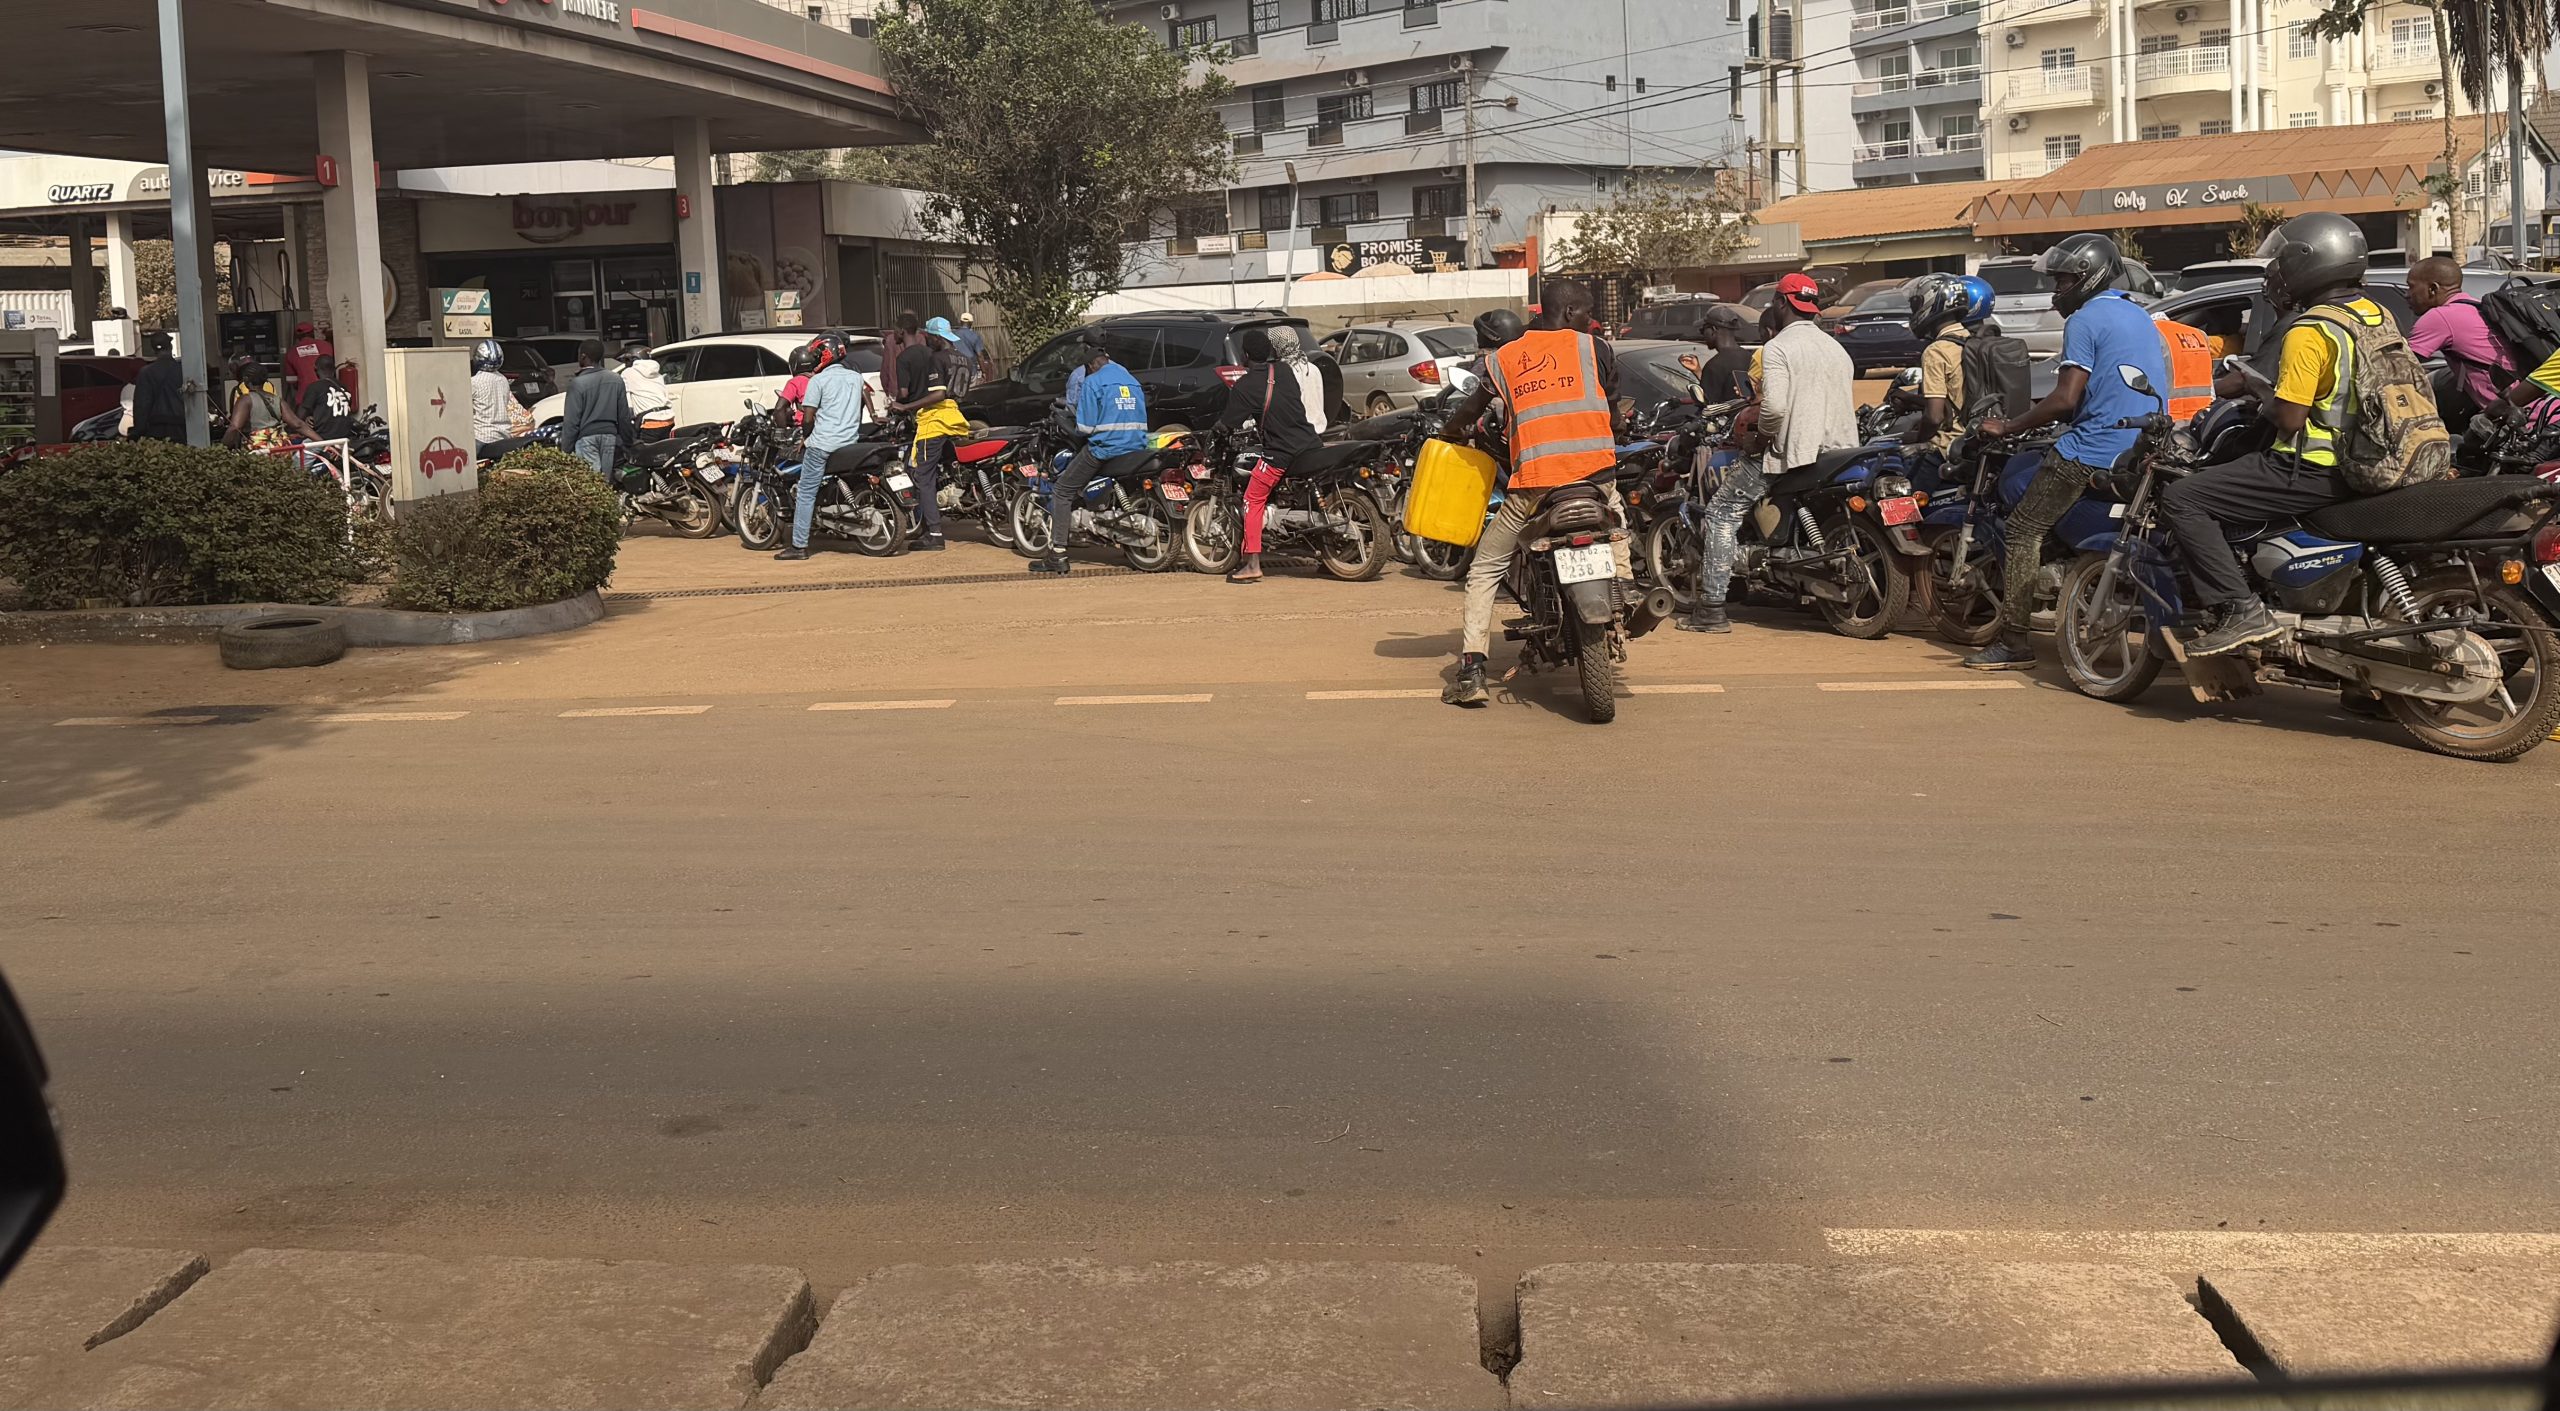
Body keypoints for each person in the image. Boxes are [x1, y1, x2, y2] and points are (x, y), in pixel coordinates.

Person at [2161, 212, 2379, 657]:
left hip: (2313, 466)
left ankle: (2242, 610)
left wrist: (2264, 394)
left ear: (2306, 262)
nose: (2275, 272)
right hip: (2371, 461)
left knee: (2184, 498)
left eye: (2280, 261)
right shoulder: (2372, 316)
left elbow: (2290, 419)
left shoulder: (2312, 329)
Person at [1962, 234, 2168, 670]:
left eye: (2063, 281)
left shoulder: (2085, 320)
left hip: (2092, 448)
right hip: (2142, 445)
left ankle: (2014, 641)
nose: (2057, 291)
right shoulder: (2138, 315)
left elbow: (2065, 398)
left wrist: (2010, 425)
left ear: (2087, 278)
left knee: (2022, 528)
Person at [1436, 281, 1629, 707]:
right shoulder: (1595, 348)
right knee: (1616, 521)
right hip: (1595, 477)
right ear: (1570, 310)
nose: (1591, 320)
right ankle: (1626, 588)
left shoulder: (1503, 359)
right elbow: (1613, 414)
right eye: (1587, 313)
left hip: (1536, 485)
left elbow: (1469, 412)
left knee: (1485, 568)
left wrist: (1450, 431)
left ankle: (1470, 672)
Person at [1681, 272, 1856, 634]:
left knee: (1720, 514)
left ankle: (1711, 609)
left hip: (1790, 452)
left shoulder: (1778, 348)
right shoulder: (1835, 347)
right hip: (1837, 451)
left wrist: (1761, 439)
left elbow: (1773, 410)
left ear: (1780, 304)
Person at [1213, 324, 1326, 584]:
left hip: (1280, 451)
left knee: (1252, 500)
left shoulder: (1245, 386)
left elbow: (1228, 423)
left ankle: (1252, 564)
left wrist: (1216, 432)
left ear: (1245, 355)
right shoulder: (1285, 371)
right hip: (1310, 442)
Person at [1031, 334, 1149, 576]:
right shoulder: (1129, 377)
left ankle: (1058, 554)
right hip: (1137, 445)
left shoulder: (1093, 382)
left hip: (1106, 448)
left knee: (1062, 490)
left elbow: (1084, 428)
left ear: (1089, 363)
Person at [777, 336, 867, 562]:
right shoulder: (856, 378)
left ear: (824, 356)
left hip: (822, 444)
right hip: (850, 441)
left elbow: (807, 418)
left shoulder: (818, 381)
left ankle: (799, 546)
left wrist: (805, 438)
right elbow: (862, 404)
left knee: (806, 493)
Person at [1902, 273, 1996, 487]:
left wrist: (1919, 441)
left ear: (1931, 304)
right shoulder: (1975, 342)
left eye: (1916, 305)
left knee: (1900, 496)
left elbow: (1934, 417)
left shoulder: (1937, 351)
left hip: (1947, 448)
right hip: (1977, 441)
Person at [889, 316, 971, 552]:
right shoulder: (963, 358)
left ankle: (934, 533)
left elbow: (938, 395)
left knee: (922, 476)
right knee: (943, 471)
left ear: (936, 337)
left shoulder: (937, 357)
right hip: (956, 418)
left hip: (935, 421)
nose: (928, 340)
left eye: (930, 337)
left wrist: (905, 407)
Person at [2405, 256, 2511, 427]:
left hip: (2518, 421)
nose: (2407, 294)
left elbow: (2397, 368)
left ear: (2433, 289)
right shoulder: (2475, 305)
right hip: (2538, 410)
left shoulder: (2440, 317)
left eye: (2411, 287)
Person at [558, 338, 633, 476]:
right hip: (610, 437)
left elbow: (571, 422)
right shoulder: (616, 379)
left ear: (583, 356)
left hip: (587, 438)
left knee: (593, 485)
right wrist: (628, 442)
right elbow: (623, 415)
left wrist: (565, 452)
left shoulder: (578, 383)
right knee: (605, 481)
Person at [224, 355, 310, 450]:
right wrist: (323, 442)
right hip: (279, 448)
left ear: (245, 379)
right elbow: (298, 424)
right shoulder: (277, 398)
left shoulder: (244, 399)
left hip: (257, 450)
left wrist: (221, 449)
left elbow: (235, 427)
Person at [130, 334, 189, 442]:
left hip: (156, 430)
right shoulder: (183, 371)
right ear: (171, 347)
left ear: (153, 350)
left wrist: (138, 431)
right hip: (182, 427)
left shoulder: (146, 373)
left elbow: (142, 405)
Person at [469, 338, 515, 461]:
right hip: (504, 435)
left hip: (482, 437)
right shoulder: (503, 380)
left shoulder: (473, 382)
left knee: (463, 466)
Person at [296, 358, 358, 444]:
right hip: (345, 439)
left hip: (323, 439)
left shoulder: (315, 387)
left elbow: (300, 416)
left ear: (315, 369)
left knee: (297, 457)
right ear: (334, 370)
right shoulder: (344, 388)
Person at [619, 345, 674, 437]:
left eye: (627, 361)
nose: (626, 364)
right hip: (668, 419)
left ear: (633, 359)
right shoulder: (657, 374)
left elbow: (626, 401)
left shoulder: (628, 373)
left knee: (643, 450)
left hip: (650, 422)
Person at [880, 309, 924, 403]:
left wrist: (889, 391)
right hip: (917, 394)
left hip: (896, 391)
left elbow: (885, 369)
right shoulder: (920, 339)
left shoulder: (890, 339)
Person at [281, 321, 333, 396]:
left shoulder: (291, 352)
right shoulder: (326, 345)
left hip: (305, 395)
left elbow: (291, 380)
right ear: (312, 333)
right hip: (327, 394)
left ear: (297, 337)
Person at [953, 311, 988, 389]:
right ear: (971, 323)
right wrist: (984, 372)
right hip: (971, 369)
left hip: (955, 369)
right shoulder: (975, 336)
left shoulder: (953, 334)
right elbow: (980, 355)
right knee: (971, 392)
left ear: (960, 322)